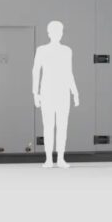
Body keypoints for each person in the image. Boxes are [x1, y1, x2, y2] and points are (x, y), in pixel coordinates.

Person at [31, 20, 79, 168]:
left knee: (62, 126)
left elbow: (69, 72)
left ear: (62, 33)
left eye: (60, 32)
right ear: (49, 33)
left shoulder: (67, 50)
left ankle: (61, 158)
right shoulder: (42, 50)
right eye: (54, 32)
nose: (57, 34)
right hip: (47, 92)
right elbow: (36, 71)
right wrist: (35, 93)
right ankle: (48, 159)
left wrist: (74, 91)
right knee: (48, 126)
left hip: (63, 91)